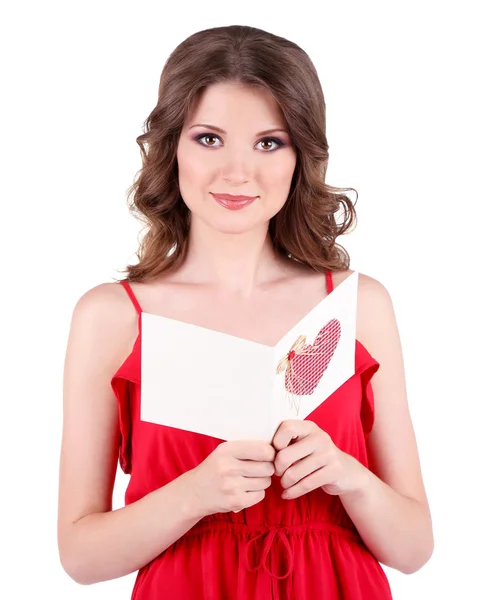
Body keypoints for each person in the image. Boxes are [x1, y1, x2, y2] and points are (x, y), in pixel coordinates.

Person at [57, 24, 433, 600]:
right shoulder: (113, 317)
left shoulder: (357, 305)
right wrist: (196, 493)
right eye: (209, 139)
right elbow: (80, 557)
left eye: (268, 142)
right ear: (172, 147)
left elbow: (413, 549)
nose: (237, 172)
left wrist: (348, 478)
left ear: (299, 155)